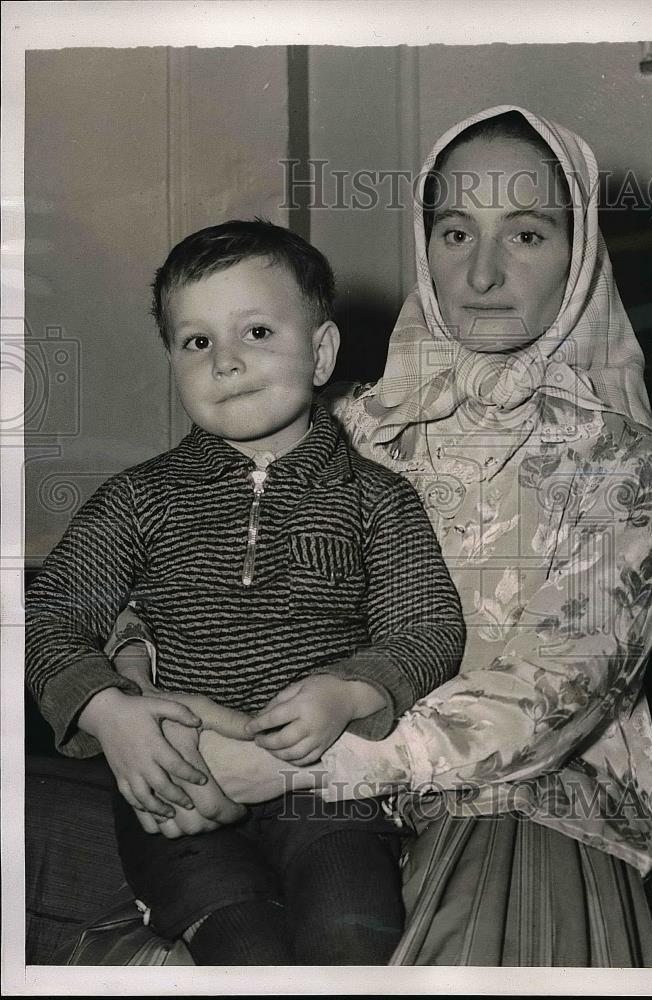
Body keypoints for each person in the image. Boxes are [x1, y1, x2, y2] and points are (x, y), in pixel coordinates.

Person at [123, 106, 652, 968]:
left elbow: (555, 690)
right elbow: (164, 560)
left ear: (580, 257)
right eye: (455, 231)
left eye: (527, 233)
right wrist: (138, 707)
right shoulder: (337, 422)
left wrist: (306, 768)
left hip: (522, 797)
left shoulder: (624, 464)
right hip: (287, 789)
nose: (484, 272)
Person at [24, 219, 467, 965]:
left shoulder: (376, 498)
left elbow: (426, 627)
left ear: (321, 351)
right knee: (244, 949)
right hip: (179, 794)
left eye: (256, 330)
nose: (225, 361)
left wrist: (349, 694)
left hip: (329, 797)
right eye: (196, 341)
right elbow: (45, 615)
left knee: (349, 934)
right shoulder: (139, 498)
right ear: (172, 359)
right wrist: (110, 715)